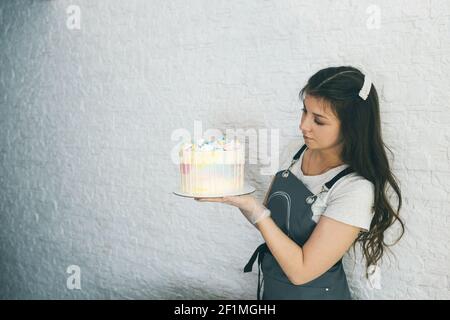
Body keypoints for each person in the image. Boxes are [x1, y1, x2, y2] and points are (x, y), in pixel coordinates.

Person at [194, 66, 405, 300]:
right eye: (304, 111)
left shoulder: (355, 190)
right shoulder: (297, 153)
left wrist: (254, 208)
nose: (303, 125)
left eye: (319, 120)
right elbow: (271, 224)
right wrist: (239, 200)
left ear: (352, 127)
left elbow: (301, 271)